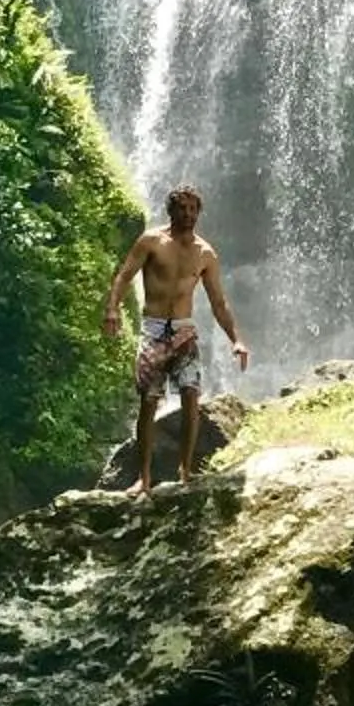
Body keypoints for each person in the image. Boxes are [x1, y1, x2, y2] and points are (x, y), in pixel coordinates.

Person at [102, 185, 249, 495]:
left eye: (193, 209)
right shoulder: (152, 241)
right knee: (149, 402)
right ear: (171, 210)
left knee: (191, 397)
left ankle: (186, 470)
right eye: (182, 208)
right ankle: (143, 477)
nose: (188, 215)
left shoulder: (205, 253)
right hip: (154, 329)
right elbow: (125, 275)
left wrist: (236, 339)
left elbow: (219, 303)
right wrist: (112, 309)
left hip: (184, 331)